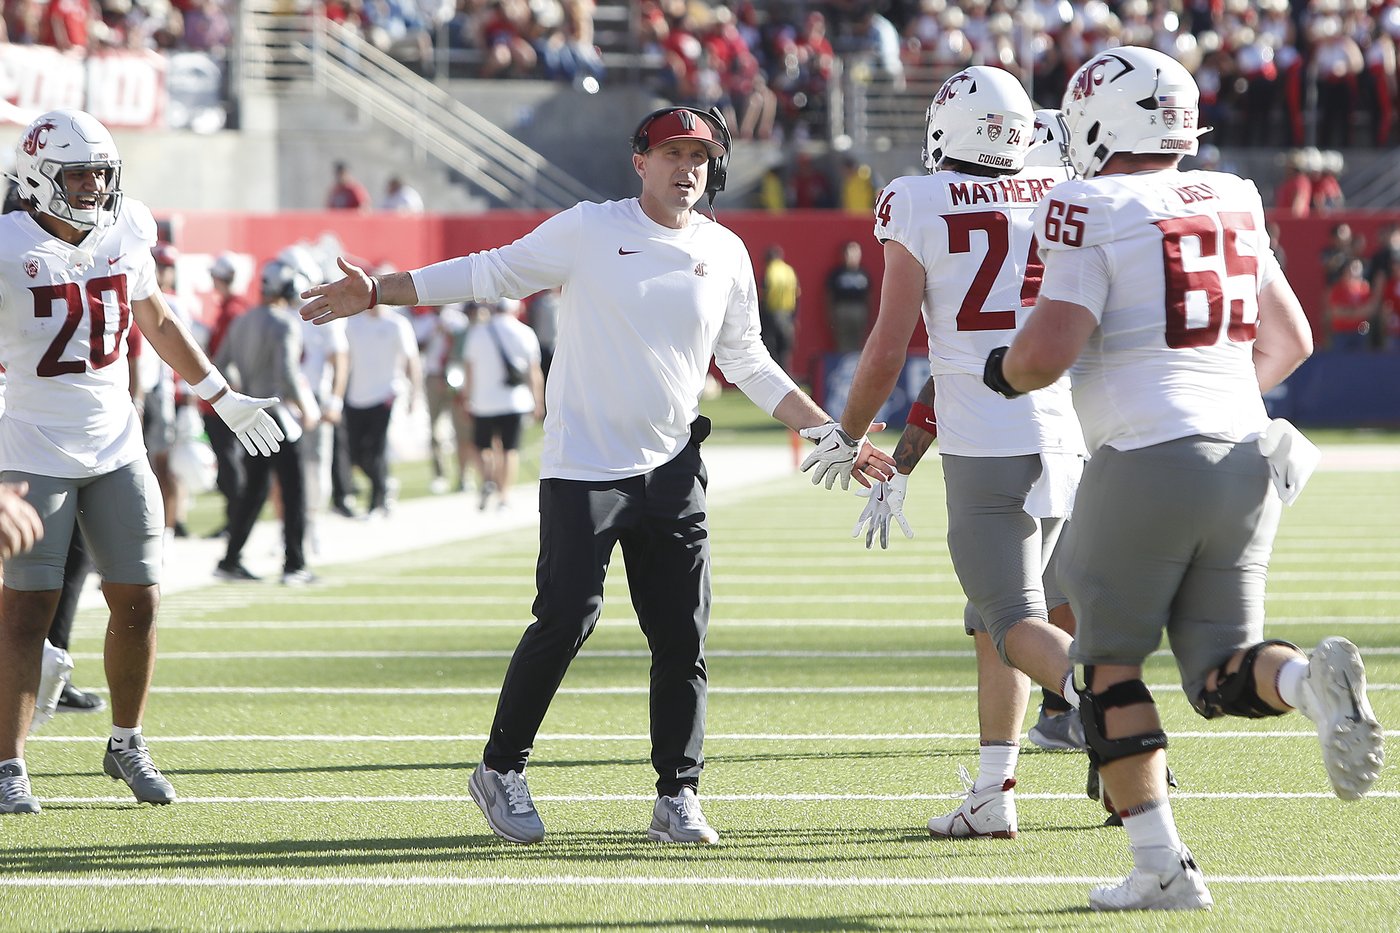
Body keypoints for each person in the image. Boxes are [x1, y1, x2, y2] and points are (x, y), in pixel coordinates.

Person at [301, 104, 893, 846]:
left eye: (699, 157)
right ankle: (500, 768)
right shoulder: (588, 228)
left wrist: (832, 433)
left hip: (674, 468)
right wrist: (379, 291)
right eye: (672, 154)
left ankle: (678, 794)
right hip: (584, 466)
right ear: (640, 162)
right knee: (567, 617)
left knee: (682, 637)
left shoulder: (726, 251)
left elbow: (747, 360)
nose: (687, 169)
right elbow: (490, 271)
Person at [986, 46, 1384, 910]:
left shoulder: (1087, 202)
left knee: (1105, 669)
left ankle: (1161, 866)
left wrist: (1002, 371)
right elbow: (1291, 341)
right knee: (1221, 670)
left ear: (1095, 122)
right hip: (1248, 455)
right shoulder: (1233, 196)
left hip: (1145, 457)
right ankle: (1307, 684)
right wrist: (1211, 400)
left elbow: (1046, 352)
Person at [0, 109, 283, 815]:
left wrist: (220, 396)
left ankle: (126, 741)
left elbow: (154, 318)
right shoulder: (5, 247)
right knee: (26, 610)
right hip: (30, 443)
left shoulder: (126, 228)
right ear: (37, 179)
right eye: (78, 175)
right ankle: (8, 763)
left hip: (116, 441)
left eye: (102, 173)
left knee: (141, 597)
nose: (95, 187)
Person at [836, 74, 1087, 840]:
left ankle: (1120, 709)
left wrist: (845, 434)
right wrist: (906, 460)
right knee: (994, 620)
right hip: (1063, 437)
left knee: (1011, 620)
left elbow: (889, 350)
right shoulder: (1056, 192)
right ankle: (992, 792)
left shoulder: (914, 200)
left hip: (989, 445)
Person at [214, 259, 321, 584]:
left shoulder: (242, 321)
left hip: (253, 417)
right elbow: (286, 374)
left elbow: (220, 363)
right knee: (293, 492)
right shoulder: (284, 323)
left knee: (254, 491)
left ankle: (230, 559)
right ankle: (294, 564)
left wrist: (240, 396)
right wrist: (305, 408)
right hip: (279, 416)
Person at [343, 286, 421, 518]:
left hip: (386, 394)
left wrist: (415, 395)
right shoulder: (353, 324)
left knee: (376, 450)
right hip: (356, 396)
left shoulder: (397, 324)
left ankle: (376, 503)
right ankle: (385, 483)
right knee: (355, 453)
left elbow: (412, 361)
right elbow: (344, 359)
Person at [462, 299, 542, 511]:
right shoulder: (525, 332)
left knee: (482, 447)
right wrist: (538, 401)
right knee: (509, 450)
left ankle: (489, 478)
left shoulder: (478, 332)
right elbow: (533, 372)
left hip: (484, 402)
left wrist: (467, 397)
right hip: (515, 400)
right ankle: (504, 495)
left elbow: (469, 369)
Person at [200, 252, 249, 537]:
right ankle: (235, 520)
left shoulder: (234, 312)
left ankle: (237, 521)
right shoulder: (233, 310)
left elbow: (226, 359)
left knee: (231, 463)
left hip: (225, 398)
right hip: (223, 397)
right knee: (228, 464)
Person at [758, 244, 799, 375]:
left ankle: (773, 376)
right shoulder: (789, 271)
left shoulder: (769, 271)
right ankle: (787, 376)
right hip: (787, 316)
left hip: (771, 315)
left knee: (771, 350)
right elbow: (797, 294)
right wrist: (794, 317)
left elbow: (763, 295)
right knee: (785, 352)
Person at [826, 240, 871, 353]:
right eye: (850, 253)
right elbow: (829, 296)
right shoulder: (837, 273)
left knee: (860, 341)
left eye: (856, 253)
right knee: (843, 342)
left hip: (860, 310)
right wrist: (831, 313)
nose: (853, 256)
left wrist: (870, 313)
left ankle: (857, 361)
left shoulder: (863, 273)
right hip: (842, 309)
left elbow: (869, 296)